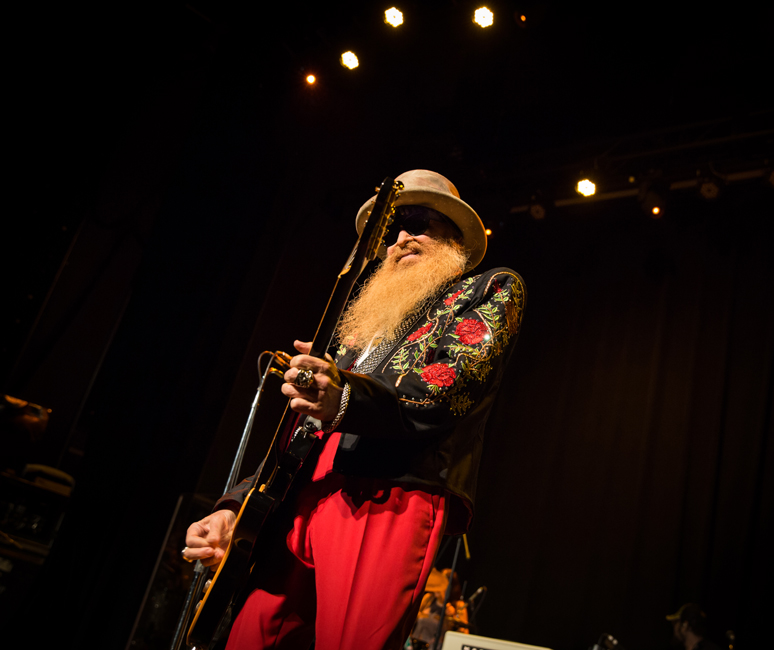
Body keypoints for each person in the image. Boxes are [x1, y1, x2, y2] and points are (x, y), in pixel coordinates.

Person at [183, 170, 525, 650]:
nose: (403, 237)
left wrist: (344, 396)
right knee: (248, 638)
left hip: (389, 494)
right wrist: (236, 507)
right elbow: (296, 429)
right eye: (394, 228)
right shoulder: (361, 325)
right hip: (304, 492)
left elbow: (445, 387)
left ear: (455, 239)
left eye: (420, 222)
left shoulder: (488, 290)